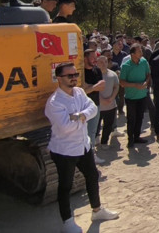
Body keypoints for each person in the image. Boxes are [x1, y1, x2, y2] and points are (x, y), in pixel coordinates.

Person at [44, 62, 119, 233]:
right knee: (65, 186)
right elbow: (65, 127)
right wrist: (83, 118)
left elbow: (93, 108)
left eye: (75, 74)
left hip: (83, 146)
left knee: (92, 176)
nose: (74, 78)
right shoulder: (54, 102)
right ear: (59, 78)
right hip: (65, 150)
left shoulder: (79, 92)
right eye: (69, 75)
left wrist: (79, 116)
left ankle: (97, 210)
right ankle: (67, 222)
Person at [118, 44, 151, 147]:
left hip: (142, 95)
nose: (141, 53)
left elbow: (148, 74)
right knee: (131, 119)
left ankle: (137, 137)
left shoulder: (144, 62)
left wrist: (145, 83)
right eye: (139, 51)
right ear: (132, 54)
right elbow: (122, 82)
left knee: (140, 117)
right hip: (131, 97)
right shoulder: (126, 66)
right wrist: (135, 85)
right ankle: (130, 139)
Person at [81, 50, 106, 163]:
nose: (95, 60)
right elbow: (81, 91)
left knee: (92, 131)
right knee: (82, 133)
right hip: (82, 107)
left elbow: (102, 87)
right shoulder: (81, 72)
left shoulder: (97, 70)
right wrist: (94, 87)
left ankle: (91, 156)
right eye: (92, 57)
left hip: (95, 105)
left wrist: (89, 88)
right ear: (85, 58)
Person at [95, 55, 120, 147]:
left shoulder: (112, 74)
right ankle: (96, 138)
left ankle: (104, 141)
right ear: (96, 63)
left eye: (105, 62)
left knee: (108, 125)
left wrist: (112, 97)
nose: (104, 64)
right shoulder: (94, 75)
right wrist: (101, 100)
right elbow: (92, 90)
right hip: (98, 106)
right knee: (96, 124)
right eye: (101, 62)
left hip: (111, 105)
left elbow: (116, 86)